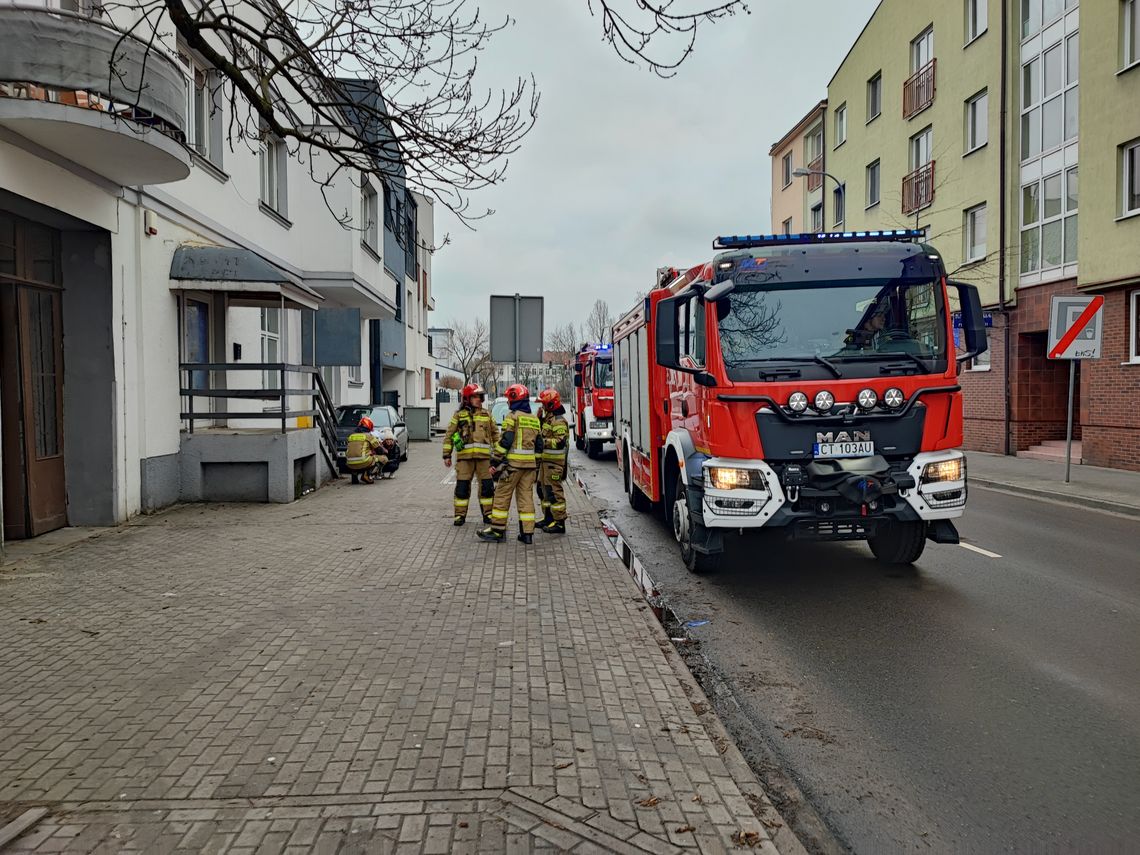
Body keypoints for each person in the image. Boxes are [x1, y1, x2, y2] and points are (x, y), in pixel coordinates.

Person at [478, 384, 542, 544]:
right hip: (530, 467)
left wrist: (494, 461)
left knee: (501, 495)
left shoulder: (512, 417)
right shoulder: (534, 419)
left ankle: (497, 531)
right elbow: (539, 446)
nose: (507, 402)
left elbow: (505, 442)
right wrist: (536, 464)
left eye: (509, 399)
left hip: (513, 466)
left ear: (514, 400)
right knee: (526, 498)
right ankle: (527, 534)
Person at [443, 383, 499, 526]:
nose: (479, 399)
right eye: (476, 396)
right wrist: (446, 455)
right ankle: (459, 516)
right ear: (467, 398)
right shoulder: (459, 415)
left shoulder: (487, 414)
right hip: (464, 459)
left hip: (484, 459)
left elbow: (495, 435)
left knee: (487, 488)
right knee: (462, 488)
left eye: (480, 396)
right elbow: (449, 435)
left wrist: (499, 456)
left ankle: (488, 514)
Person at [537, 388, 570, 534]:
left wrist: (543, 443)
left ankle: (560, 523)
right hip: (546, 464)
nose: (542, 407)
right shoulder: (548, 418)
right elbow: (543, 431)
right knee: (544, 491)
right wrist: (539, 419)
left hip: (554, 464)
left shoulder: (559, 421)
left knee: (555, 493)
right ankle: (549, 518)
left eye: (544, 404)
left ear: (550, 404)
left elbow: (560, 442)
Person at [344, 416, 383, 484]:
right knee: (378, 460)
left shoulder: (351, 436)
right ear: (370, 426)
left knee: (355, 456)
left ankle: (354, 477)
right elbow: (379, 450)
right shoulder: (369, 436)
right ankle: (366, 475)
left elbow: (352, 449)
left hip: (349, 462)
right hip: (363, 461)